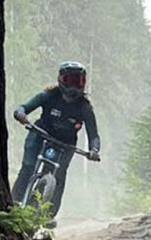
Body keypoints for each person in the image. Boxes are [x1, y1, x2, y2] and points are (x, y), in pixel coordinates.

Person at [12, 61, 101, 222]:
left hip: (65, 145)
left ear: (84, 82)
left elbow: (93, 135)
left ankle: (48, 215)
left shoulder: (85, 107)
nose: (74, 85)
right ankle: (14, 203)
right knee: (28, 166)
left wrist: (94, 150)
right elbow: (24, 107)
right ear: (61, 79)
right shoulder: (49, 95)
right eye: (70, 80)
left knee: (58, 176)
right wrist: (20, 114)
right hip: (40, 135)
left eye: (78, 81)